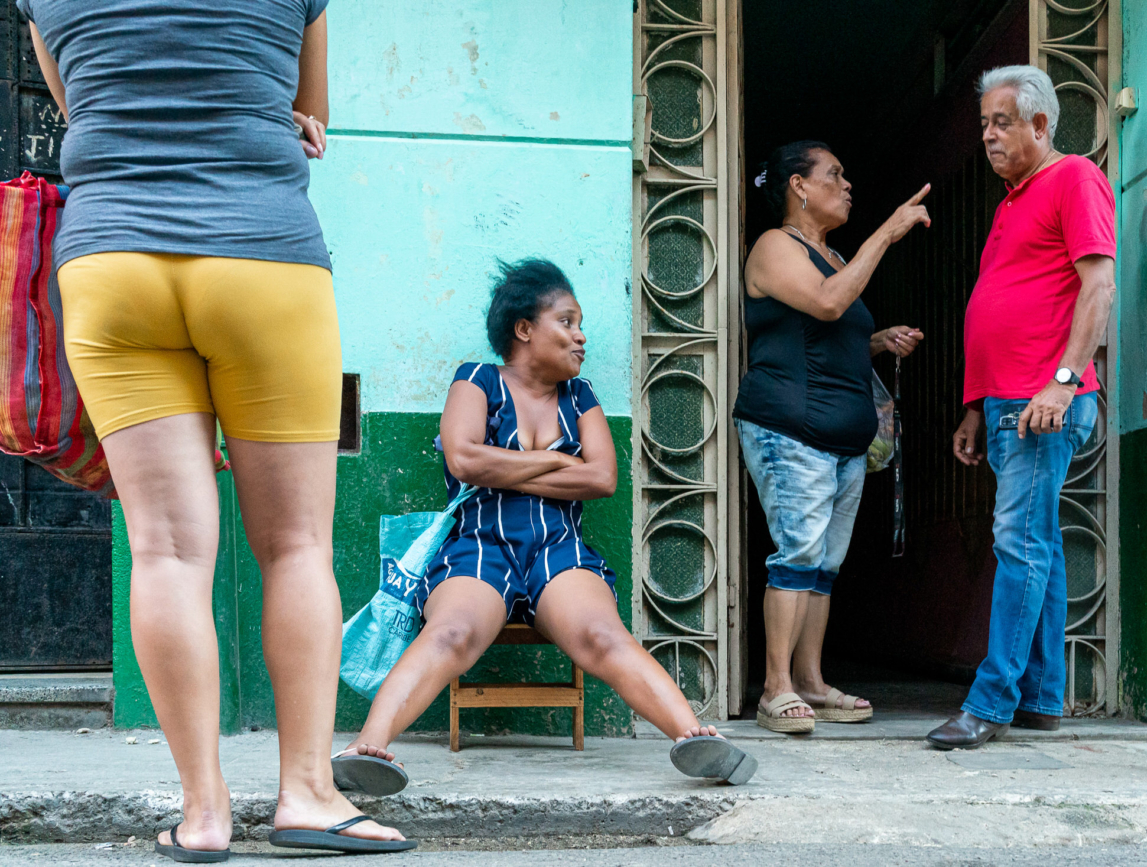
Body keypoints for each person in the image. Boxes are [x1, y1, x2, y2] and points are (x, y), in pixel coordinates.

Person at [20, 1, 414, 860]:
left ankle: (203, 813)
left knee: (165, 551)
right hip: (262, 250)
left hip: (111, 259)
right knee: (297, 544)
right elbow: (311, 112)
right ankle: (308, 794)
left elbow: (78, 103)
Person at [330, 259, 758, 790]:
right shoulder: (477, 380)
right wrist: (557, 461)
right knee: (452, 633)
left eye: (580, 325)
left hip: (558, 548)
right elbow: (463, 460)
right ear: (524, 329)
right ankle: (367, 749)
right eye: (567, 322)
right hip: (480, 544)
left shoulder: (580, 396)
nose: (580, 337)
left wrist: (503, 466)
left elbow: (601, 477)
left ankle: (696, 739)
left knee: (602, 635)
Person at [927, 65, 1116, 751]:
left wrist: (1063, 380)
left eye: (1001, 122)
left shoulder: (1074, 178)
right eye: (984, 124)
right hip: (1007, 402)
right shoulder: (1012, 201)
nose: (988, 135)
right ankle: (1041, 696)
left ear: (1040, 123)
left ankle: (991, 701)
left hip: (1045, 401)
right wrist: (975, 407)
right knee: (1039, 546)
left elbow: (1098, 286)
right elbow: (1001, 306)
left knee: (1020, 543)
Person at [735, 140, 928, 733]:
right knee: (796, 554)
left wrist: (877, 340)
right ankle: (776, 690)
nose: (847, 186)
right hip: (790, 430)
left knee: (822, 565)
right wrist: (887, 233)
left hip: (843, 442)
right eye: (835, 175)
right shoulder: (774, 246)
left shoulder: (834, 254)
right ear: (798, 186)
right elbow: (825, 304)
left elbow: (824, 334)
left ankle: (812, 683)